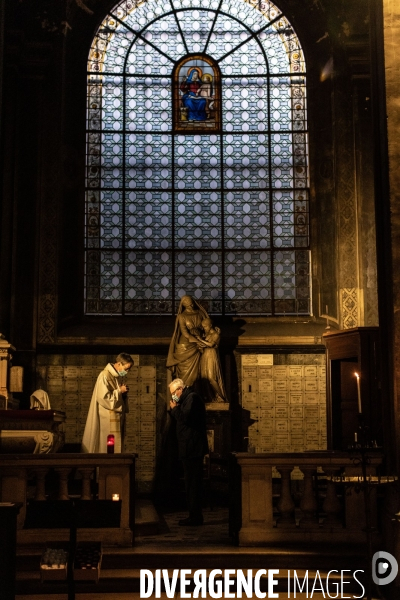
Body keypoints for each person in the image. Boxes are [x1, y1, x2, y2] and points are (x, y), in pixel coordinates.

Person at [169, 378, 208, 526]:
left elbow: (185, 418)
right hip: (188, 448)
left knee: (193, 484)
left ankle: (195, 516)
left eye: (173, 393)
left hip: (192, 448)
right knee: (190, 483)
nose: (173, 396)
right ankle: (193, 515)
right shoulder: (187, 400)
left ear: (180, 390)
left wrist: (175, 409)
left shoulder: (192, 399)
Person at [81, 353, 133, 453]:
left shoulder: (115, 377)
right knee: (107, 447)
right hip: (107, 419)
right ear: (118, 364)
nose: (127, 372)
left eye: (129, 369)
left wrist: (123, 394)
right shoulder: (104, 375)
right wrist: (119, 391)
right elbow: (103, 398)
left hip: (115, 416)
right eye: (126, 368)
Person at [166, 295, 209, 388]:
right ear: (184, 305)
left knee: (196, 373)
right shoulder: (182, 316)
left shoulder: (200, 313)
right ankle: (182, 394)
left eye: (192, 304)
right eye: (188, 305)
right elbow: (185, 333)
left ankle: (195, 392)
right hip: (185, 346)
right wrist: (197, 341)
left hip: (197, 346)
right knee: (183, 373)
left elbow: (207, 327)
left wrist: (212, 332)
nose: (191, 306)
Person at [200, 318, 227, 403]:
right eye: (203, 326)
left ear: (210, 325)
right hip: (205, 355)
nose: (204, 328)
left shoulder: (216, 334)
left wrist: (200, 340)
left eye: (205, 326)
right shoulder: (205, 334)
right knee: (204, 378)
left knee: (212, 378)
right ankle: (210, 398)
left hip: (211, 355)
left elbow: (211, 344)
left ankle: (221, 397)